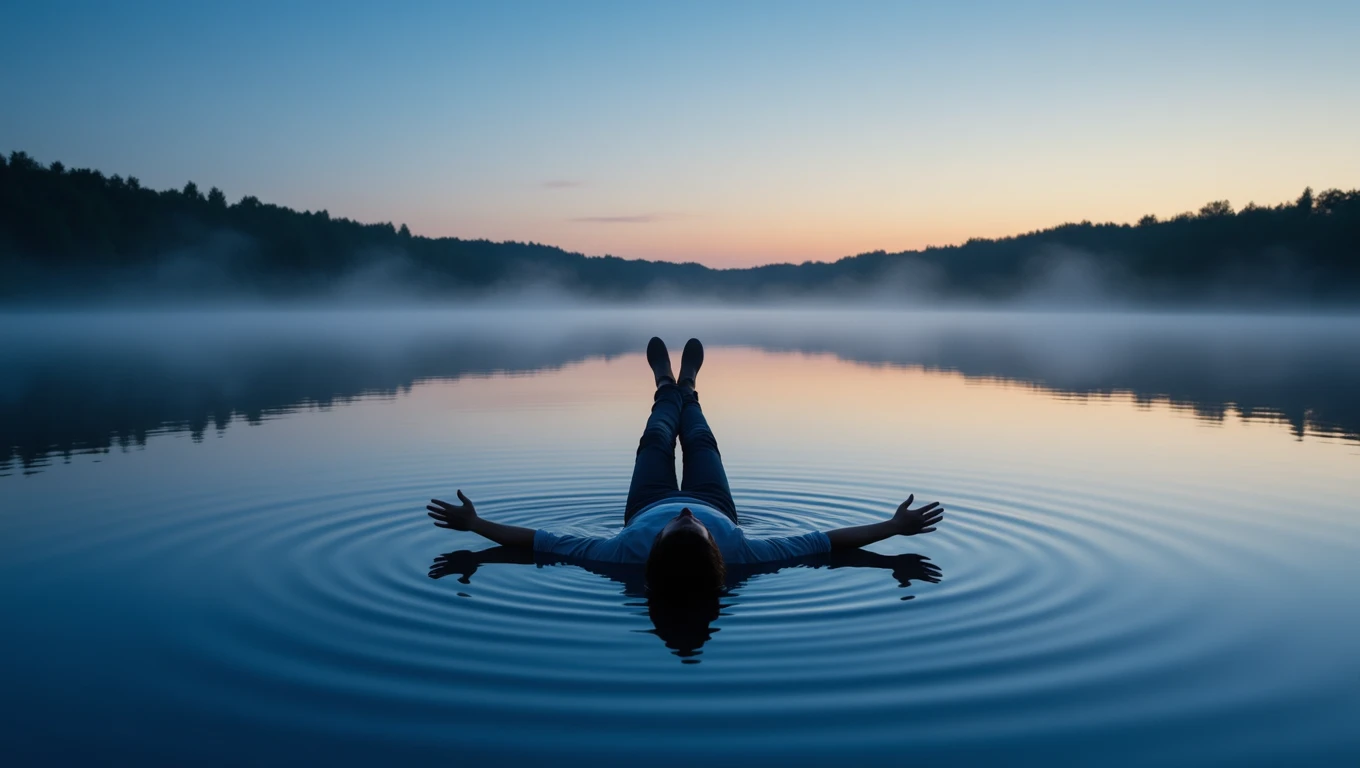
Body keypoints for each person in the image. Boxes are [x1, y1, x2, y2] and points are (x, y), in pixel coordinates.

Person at [427, 337, 944, 596]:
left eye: (681, 529)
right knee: (699, 440)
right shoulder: (742, 551)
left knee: (656, 436)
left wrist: (476, 527)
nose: (687, 519)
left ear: (654, 544)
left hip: (644, 503)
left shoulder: (625, 550)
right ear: (716, 547)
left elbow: (538, 541)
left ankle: (663, 386)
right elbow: (828, 542)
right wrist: (893, 529)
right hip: (718, 501)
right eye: (695, 532)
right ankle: (688, 386)